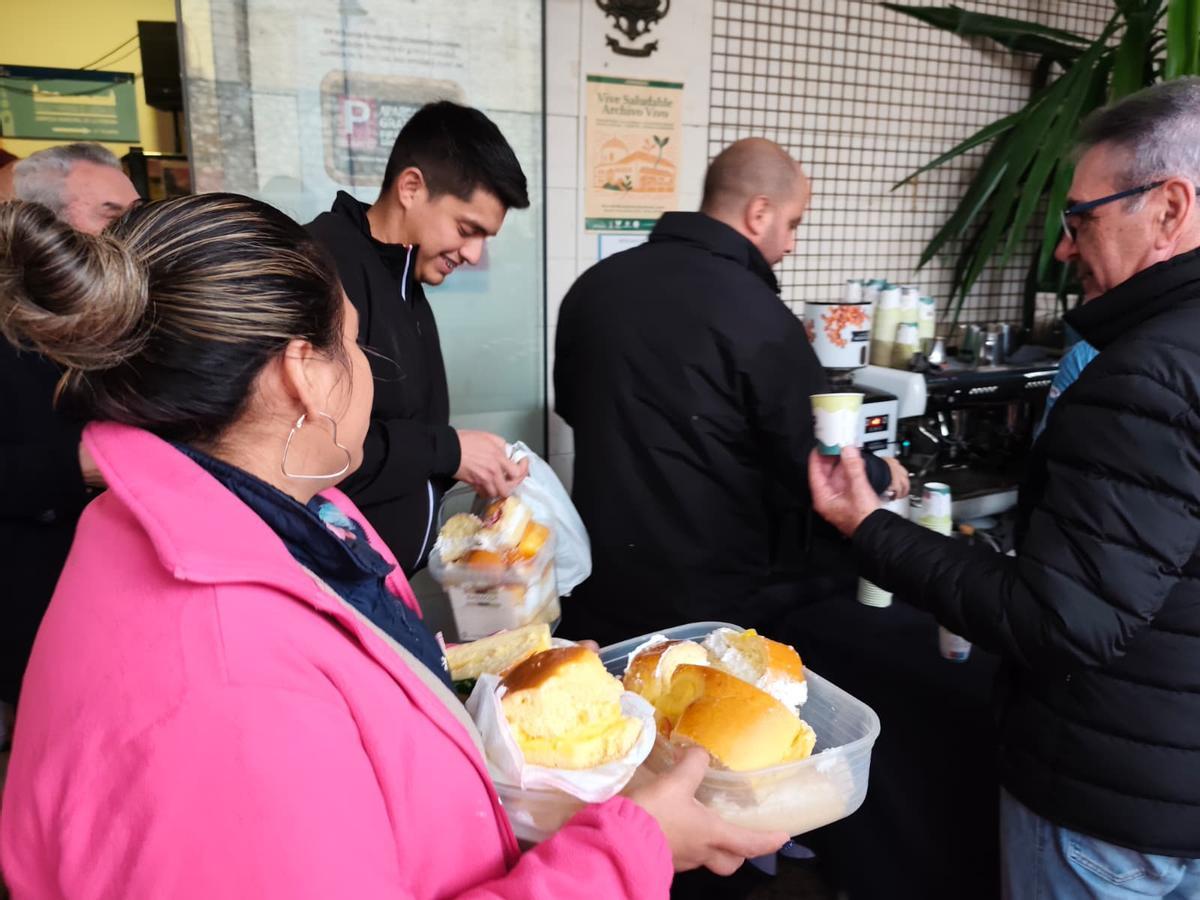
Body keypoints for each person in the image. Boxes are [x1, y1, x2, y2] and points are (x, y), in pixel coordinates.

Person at [0, 193, 785, 897]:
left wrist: (441, 677)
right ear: (303, 375)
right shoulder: (224, 688)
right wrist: (633, 847)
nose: (368, 374)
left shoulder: (245, 525)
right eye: (355, 343)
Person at [809, 79, 1200, 899]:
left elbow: (1058, 619)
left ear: (1169, 209)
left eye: (1081, 217)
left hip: (1111, 805)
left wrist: (869, 525)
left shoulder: (1146, 374)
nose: (1063, 248)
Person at [554, 138, 907, 647]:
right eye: (793, 224)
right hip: (710, 602)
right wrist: (881, 472)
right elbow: (811, 464)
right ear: (759, 213)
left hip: (599, 580)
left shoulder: (591, 289)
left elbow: (574, 409)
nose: (792, 244)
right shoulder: (760, 317)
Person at [307, 102, 530, 576]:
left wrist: (473, 465)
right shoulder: (323, 269)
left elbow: (400, 429)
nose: (473, 253)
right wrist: (449, 450)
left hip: (379, 584)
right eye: (468, 230)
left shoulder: (406, 280)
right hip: (331, 582)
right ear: (411, 187)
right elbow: (305, 451)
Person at [0, 143, 138, 729]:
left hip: (119, 609)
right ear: (43, 221)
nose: (133, 230)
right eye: (113, 212)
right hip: (29, 613)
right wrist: (80, 465)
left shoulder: (126, 313)